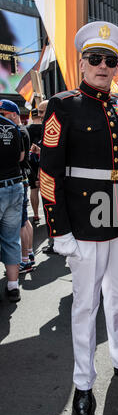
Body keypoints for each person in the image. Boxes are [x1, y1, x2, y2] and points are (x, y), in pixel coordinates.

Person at [39, 21, 118, 415]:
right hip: (81, 225)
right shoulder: (63, 105)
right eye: (95, 58)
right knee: (85, 307)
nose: (102, 65)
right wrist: (59, 230)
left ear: (117, 66)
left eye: (110, 60)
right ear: (82, 63)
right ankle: (83, 381)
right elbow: (49, 173)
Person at [0, 99, 35, 274]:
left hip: (17, 180)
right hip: (19, 181)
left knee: (19, 226)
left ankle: (25, 260)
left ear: (14, 114)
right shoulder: (19, 130)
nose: (1, 119)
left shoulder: (19, 131)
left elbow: (20, 158)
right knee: (24, 221)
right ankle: (28, 256)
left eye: (3, 115)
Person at [0, 100, 24, 302]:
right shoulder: (13, 127)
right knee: (11, 238)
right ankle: (13, 286)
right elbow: (20, 156)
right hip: (15, 185)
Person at [27, 101, 48, 224]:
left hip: (31, 163)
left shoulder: (26, 129)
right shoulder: (46, 127)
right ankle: (48, 215)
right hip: (44, 161)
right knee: (47, 190)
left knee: (33, 189)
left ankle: (35, 215)